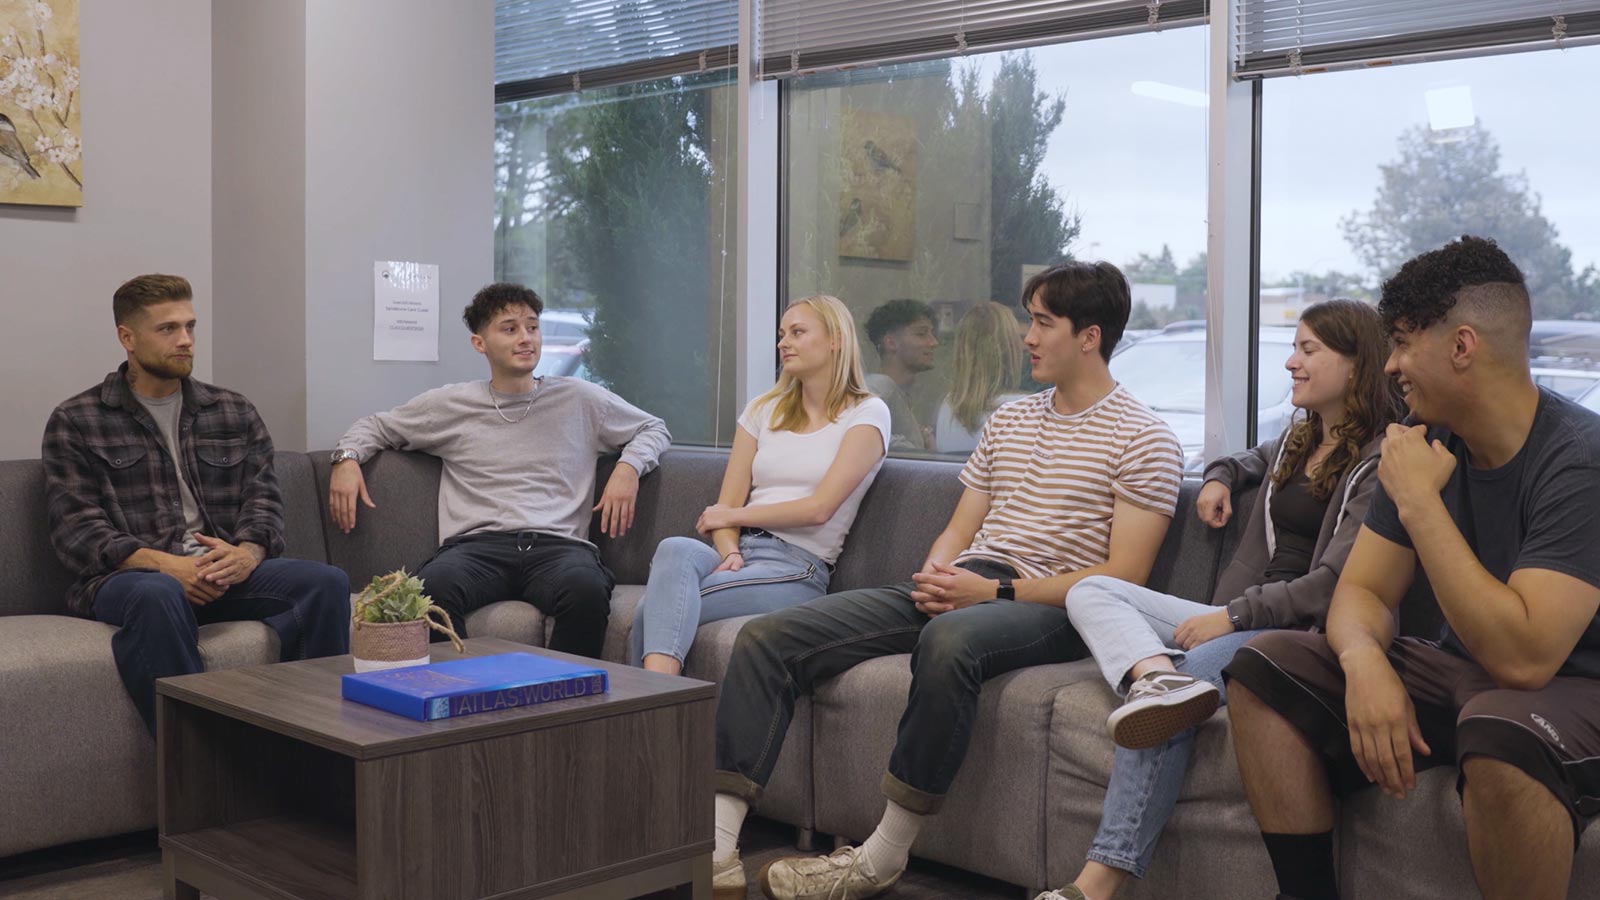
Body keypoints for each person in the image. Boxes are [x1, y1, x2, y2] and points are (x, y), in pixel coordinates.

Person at [709, 262, 1185, 900]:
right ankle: (716, 847)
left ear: (1090, 336)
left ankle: (880, 858)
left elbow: (1123, 576)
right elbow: (960, 527)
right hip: (964, 587)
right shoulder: (1010, 421)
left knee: (950, 640)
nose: (1027, 337)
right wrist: (940, 570)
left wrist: (991, 594)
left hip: (1053, 605)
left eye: (1043, 323)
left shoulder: (1144, 436)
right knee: (768, 638)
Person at [1224, 236, 1600, 900]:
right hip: (1462, 675)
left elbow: (1525, 659)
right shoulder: (1425, 443)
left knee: (1500, 725)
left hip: (1573, 688)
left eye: (1401, 342)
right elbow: (1362, 591)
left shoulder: (1579, 458)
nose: (1391, 365)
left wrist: (1422, 502)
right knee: (1264, 665)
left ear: (1462, 346)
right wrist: (1364, 663)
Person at [1034, 299, 1401, 900]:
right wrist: (1219, 478)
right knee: (1092, 588)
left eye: (1308, 350)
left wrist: (1231, 616)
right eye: (1295, 348)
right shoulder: (1301, 437)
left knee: (1173, 698)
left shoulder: (1382, 459)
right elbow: (1245, 458)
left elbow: (1333, 586)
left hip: (1292, 636)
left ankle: (1095, 885)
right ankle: (1156, 676)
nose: (1290, 363)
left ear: (1358, 364)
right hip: (1234, 615)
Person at [42, 274, 351, 736]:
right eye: (168, 329)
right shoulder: (78, 419)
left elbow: (263, 498)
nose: (185, 340)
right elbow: (78, 530)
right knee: (157, 593)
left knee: (326, 582)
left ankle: (319, 746)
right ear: (127, 337)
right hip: (130, 579)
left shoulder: (232, 410)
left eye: (190, 327)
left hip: (220, 572)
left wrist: (247, 553)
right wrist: (168, 567)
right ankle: (200, 763)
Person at [328, 283, 670, 659]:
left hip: (559, 547)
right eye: (510, 329)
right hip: (476, 548)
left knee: (585, 588)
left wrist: (627, 468)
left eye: (533, 327)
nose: (526, 339)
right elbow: (375, 426)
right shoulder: (450, 404)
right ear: (480, 343)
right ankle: (459, 696)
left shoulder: (580, 398)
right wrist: (346, 459)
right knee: (430, 589)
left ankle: (560, 704)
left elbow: (653, 428)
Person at [629, 296, 890, 675]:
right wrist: (729, 549)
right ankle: (657, 721)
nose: (783, 342)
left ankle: (651, 725)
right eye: (782, 334)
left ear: (835, 339)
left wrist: (734, 515)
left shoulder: (867, 413)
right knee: (675, 549)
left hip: (798, 566)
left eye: (798, 332)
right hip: (739, 553)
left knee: (649, 611)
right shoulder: (763, 409)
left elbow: (819, 508)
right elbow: (725, 507)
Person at [934, 301, 1027, 454]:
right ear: (1008, 349)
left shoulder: (949, 405)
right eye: (1019, 339)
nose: (1027, 345)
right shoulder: (1021, 408)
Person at [864, 298, 939, 452]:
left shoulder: (911, 397)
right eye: (921, 334)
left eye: (932, 334)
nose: (933, 342)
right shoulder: (879, 387)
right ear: (890, 343)